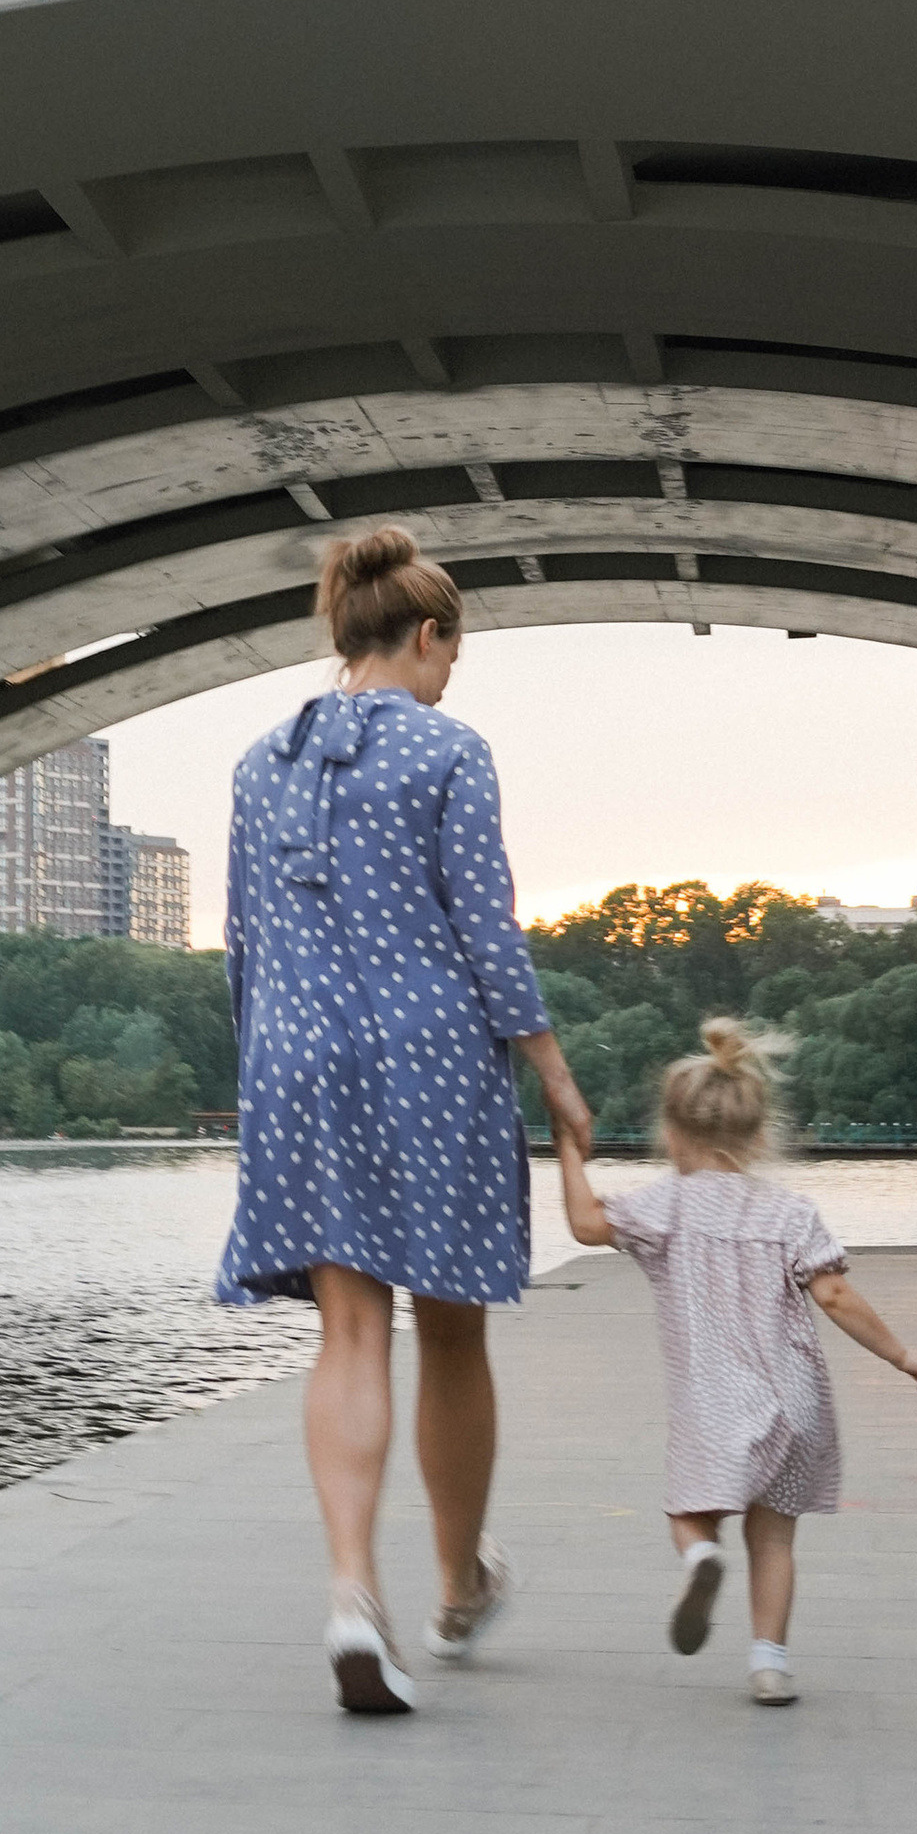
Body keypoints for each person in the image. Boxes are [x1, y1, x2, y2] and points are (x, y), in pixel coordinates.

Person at [217, 524, 593, 1715]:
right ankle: (456, 1588)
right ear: (426, 637)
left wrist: (268, 1072)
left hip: (294, 1061)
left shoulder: (255, 765)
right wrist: (553, 1072)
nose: (445, 679)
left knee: (347, 1335)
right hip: (431, 1059)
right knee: (450, 1331)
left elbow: (244, 946)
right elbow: (484, 929)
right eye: (449, 657)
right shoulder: (448, 749)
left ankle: (349, 1595)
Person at [552, 1017, 917, 1703]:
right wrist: (902, 1354)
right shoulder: (791, 1213)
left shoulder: (663, 1205)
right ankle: (769, 1665)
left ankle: (702, 1556)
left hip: (715, 1401)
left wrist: (568, 1151)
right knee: (775, 1539)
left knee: (691, 1510)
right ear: (759, 1137)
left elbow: (587, 1224)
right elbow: (836, 1293)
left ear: (671, 1136)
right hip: (797, 1401)